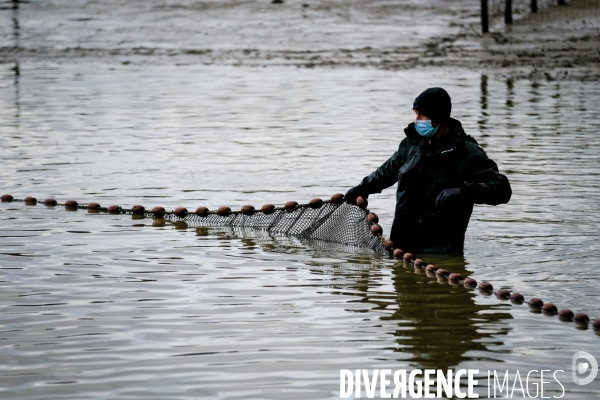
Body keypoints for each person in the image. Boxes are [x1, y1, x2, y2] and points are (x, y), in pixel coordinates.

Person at [345, 87, 512, 254]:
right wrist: (363, 187)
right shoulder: (412, 144)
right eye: (415, 113)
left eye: (421, 115)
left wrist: (464, 192)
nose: (417, 120)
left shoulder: (467, 152)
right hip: (401, 249)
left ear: (438, 116)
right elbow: (388, 170)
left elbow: (502, 189)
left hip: (441, 253)